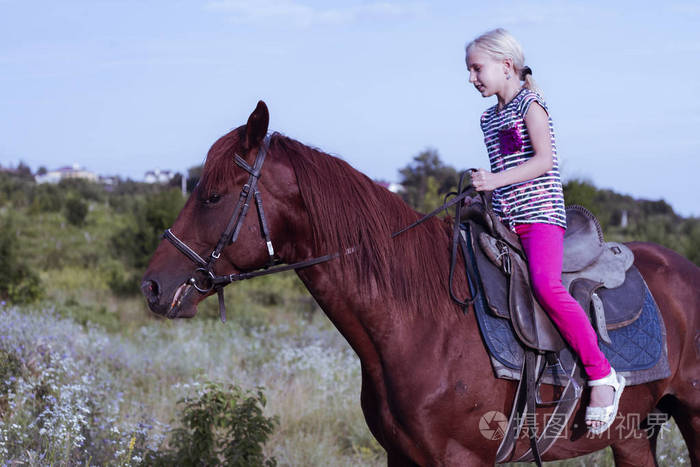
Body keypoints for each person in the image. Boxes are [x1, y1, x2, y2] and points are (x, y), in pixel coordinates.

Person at [465, 28, 625, 434]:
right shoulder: (488, 117)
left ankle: (602, 375)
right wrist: (482, 196)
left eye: (476, 68)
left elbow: (543, 162)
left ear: (506, 65)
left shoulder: (531, 105)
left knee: (545, 285)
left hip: (539, 217)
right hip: (504, 216)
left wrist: (493, 182)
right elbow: (503, 172)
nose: (472, 78)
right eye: (469, 71)